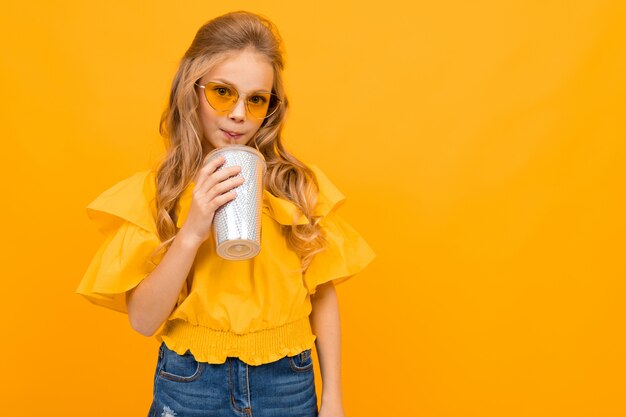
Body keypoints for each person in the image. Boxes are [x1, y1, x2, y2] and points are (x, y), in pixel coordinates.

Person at [76, 10, 375, 417]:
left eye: (256, 100)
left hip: (287, 383)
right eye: (222, 92)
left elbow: (322, 294)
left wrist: (334, 398)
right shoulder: (155, 194)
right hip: (191, 383)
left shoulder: (295, 188)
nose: (238, 114)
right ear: (191, 90)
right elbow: (144, 321)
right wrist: (192, 232)